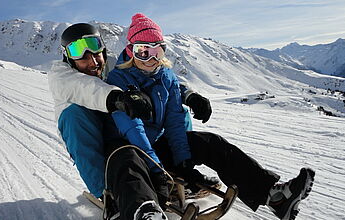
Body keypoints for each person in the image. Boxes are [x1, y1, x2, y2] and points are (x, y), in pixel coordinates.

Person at [104, 13, 315, 220]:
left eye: (157, 51)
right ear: (130, 51)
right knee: (129, 160)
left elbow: (174, 120)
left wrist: (183, 161)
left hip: (158, 147)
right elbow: (132, 128)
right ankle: (145, 213)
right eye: (142, 52)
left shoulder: (166, 76)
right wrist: (156, 169)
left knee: (210, 142)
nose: (151, 59)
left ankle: (274, 196)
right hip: (132, 149)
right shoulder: (118, 79)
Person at [47, 23, 214, 207]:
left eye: (95, 50)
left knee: (176, 111)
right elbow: (86, 88)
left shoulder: (113, 63)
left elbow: (154, 77)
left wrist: (188, 95)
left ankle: (177, 170)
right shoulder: (61, 76)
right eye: (80, 53)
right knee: (74, 116)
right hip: (95, 138)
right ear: (68, 57)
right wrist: (119, 98)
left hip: (123, 129)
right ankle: (106, 193)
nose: (93, 62)